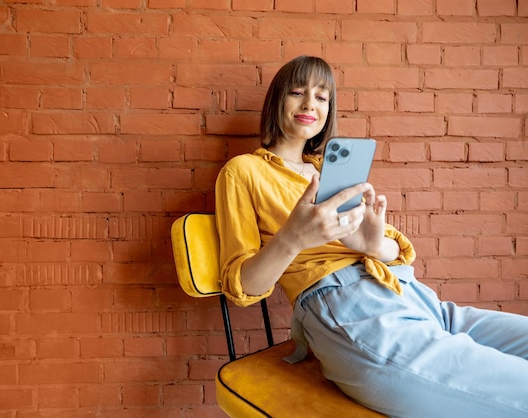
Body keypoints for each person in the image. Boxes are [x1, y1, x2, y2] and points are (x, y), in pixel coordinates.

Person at [214, 55, 528, 418]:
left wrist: (372, 244)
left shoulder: (330, 171)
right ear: (276, 102)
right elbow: (241, 287)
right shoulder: (244, 171)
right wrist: (292, 240)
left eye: (321, 96)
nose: (309, 104)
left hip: (418, 299)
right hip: (350, 310)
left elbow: (399, 249)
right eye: (297, 92)